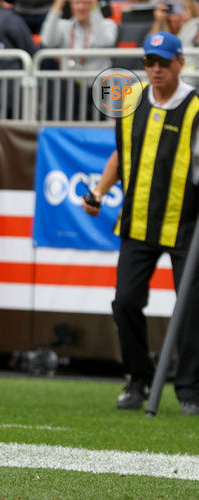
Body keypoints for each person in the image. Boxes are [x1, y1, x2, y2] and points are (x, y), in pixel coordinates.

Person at [83, 32, 199, 416]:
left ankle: (190, 389)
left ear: (180, 63)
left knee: (191, 306)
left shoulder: (197, 108)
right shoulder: (131, 104)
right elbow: (122, 151)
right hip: (136, 223)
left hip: (187, 227)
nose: (156, 69)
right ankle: (139, 377)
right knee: (125, 302)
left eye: (163, 62)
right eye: (150, 61)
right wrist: (99, 193)